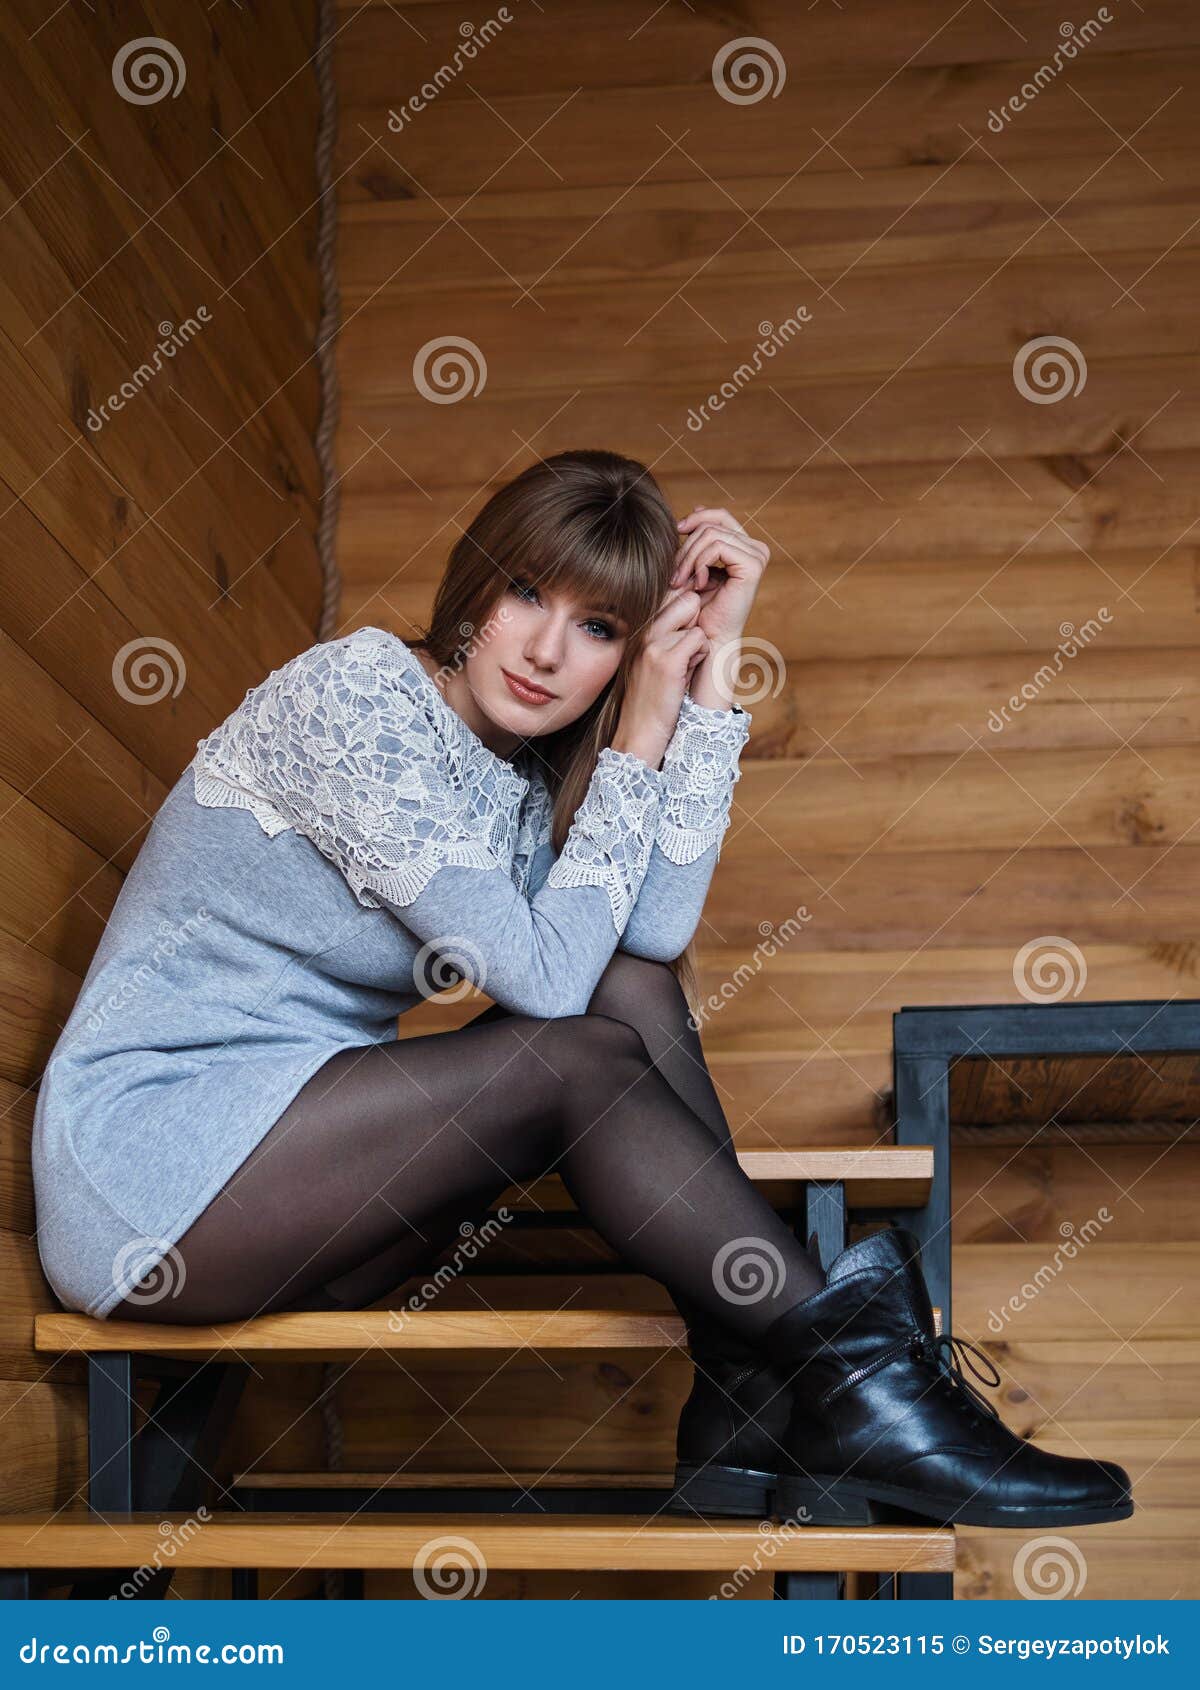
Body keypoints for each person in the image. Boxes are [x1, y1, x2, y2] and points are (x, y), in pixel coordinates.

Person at [30, 449, 1132, 1530]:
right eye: (525, 593)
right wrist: (640, 731)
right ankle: (846, 1377)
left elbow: (645, 939)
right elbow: (552, 987)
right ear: (475, 581)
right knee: (575, 1053)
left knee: (630, 992)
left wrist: (706, 673)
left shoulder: (510, 791)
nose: (549, 650)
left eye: (600, 628)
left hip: (298, 1188)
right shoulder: (356, 696)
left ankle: (758, 1396)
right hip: (153, 1175)